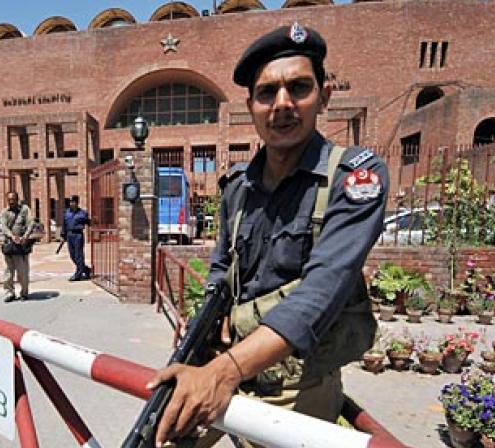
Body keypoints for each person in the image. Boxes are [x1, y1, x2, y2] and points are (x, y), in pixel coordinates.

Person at [146, 23, 396, 447]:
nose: (282, 104)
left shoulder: (354, 177)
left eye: (298, 87)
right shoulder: (238, 186)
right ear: (252, 105)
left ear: (325, 96)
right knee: (159, 435)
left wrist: (222, 372)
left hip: (297, 385)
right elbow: (223, 267)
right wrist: (203, 323)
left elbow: (321, 293)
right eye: (267, 93)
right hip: (227, 359)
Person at [0, 192, 34, 302]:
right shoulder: (5, 212)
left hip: (21, 246)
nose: (11, 201)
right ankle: (9, 293)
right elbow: (4, 227)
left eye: (13, 199)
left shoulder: (24, 210)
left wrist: (25, 236)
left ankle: (24, 293)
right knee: (8, 272)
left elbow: (31, 223)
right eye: (9, 199)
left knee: (23, 272)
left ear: (17, 199)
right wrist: (12, 236)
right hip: (9, 245)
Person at [62, 195, 91, 281]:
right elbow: (64, 224)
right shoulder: (66, 212)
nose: (72, 203)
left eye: (73, 202)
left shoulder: (82, 213)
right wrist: (63, 235)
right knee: (72, 256)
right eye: (70, 202)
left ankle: (78, 274)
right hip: (69, 235)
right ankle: (86, 270)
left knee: (79, 255)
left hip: (78, 235)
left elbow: (89, 222)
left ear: (77, 203)